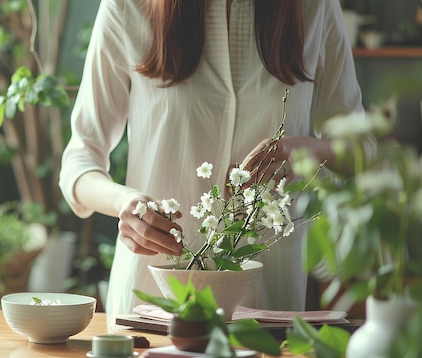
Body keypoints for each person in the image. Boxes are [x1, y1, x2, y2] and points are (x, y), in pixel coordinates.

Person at [59, 0, 371, 320]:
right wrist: (125, 202)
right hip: (153, 307)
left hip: (268, 310)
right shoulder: (128, 6)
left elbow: (363, 150)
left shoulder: (313, 8)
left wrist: (304, 151)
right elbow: (79, 161)